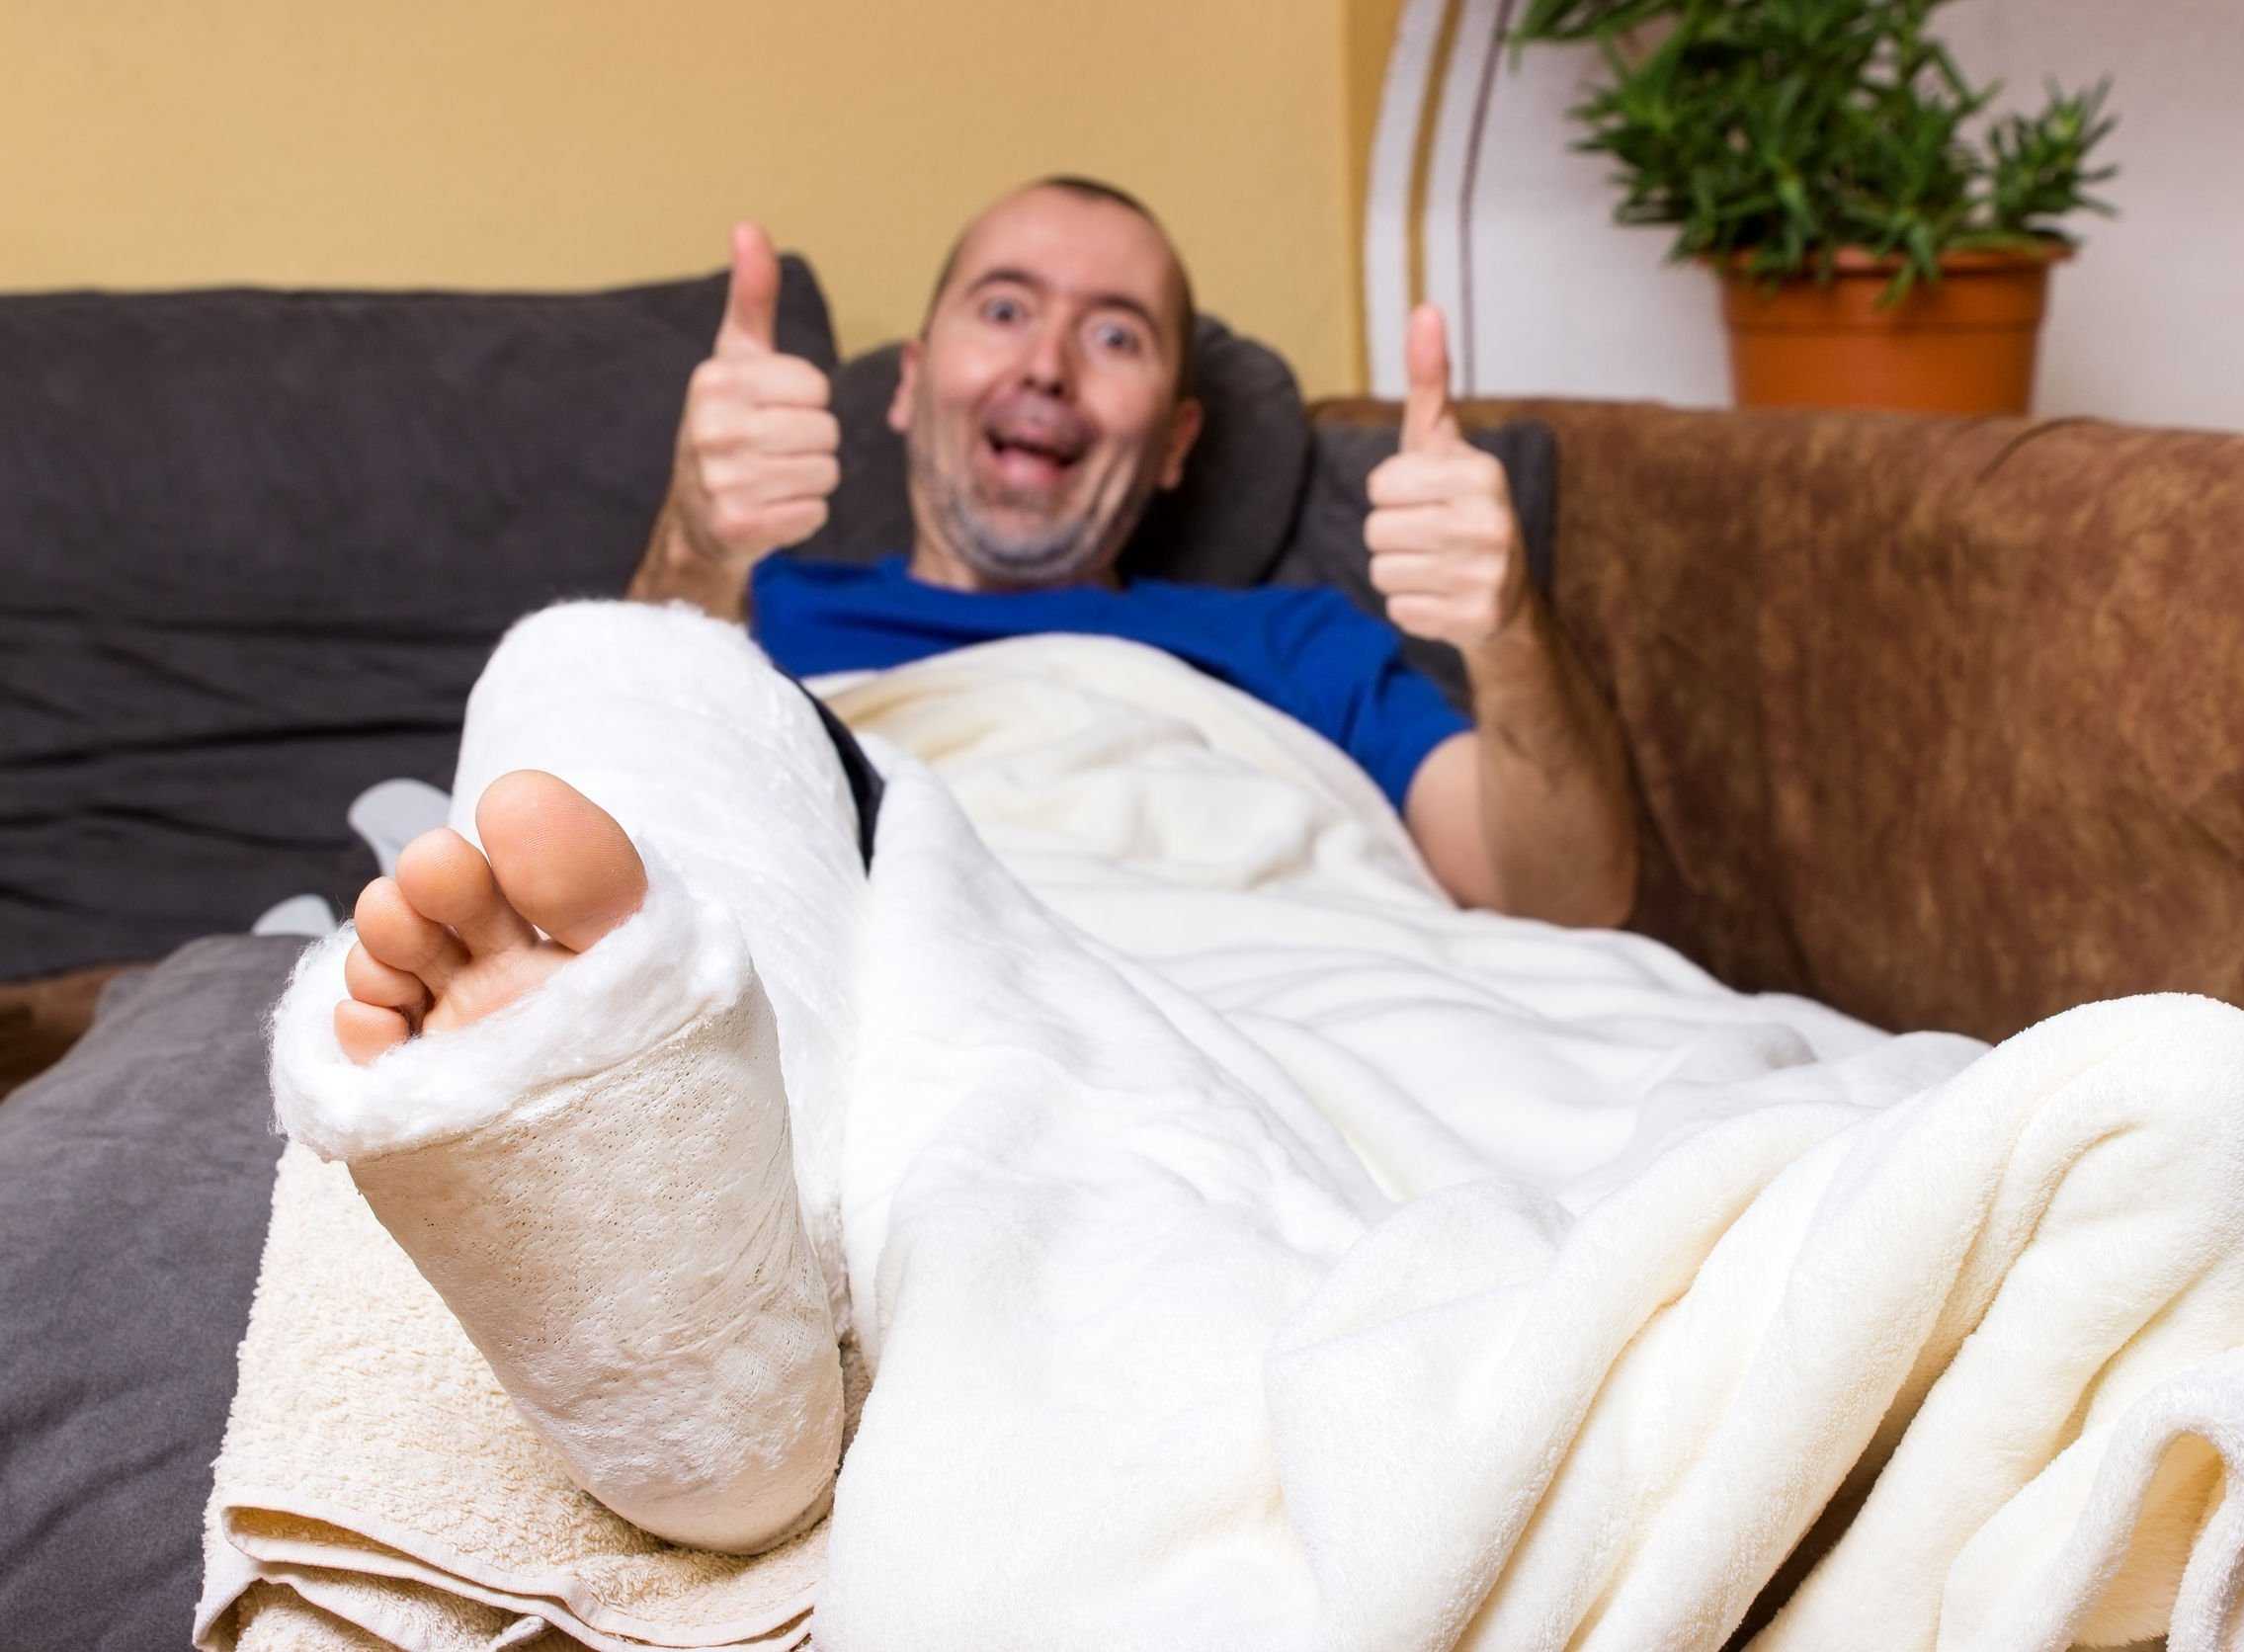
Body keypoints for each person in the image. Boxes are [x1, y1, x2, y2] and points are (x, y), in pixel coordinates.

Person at [330, 176, 1640, 1063]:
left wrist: (1509, 627)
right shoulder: (749, 619)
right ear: (909, 386)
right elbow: (610, 770)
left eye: (1115, 337)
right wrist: (697, 541)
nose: (1047, 367)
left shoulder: (1297, 643)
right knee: (572, 662)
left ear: (1178, 442)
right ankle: (616, 1074)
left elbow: (1568, 901)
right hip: (902, 993)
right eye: (1005, 310)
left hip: (1288, 1002)